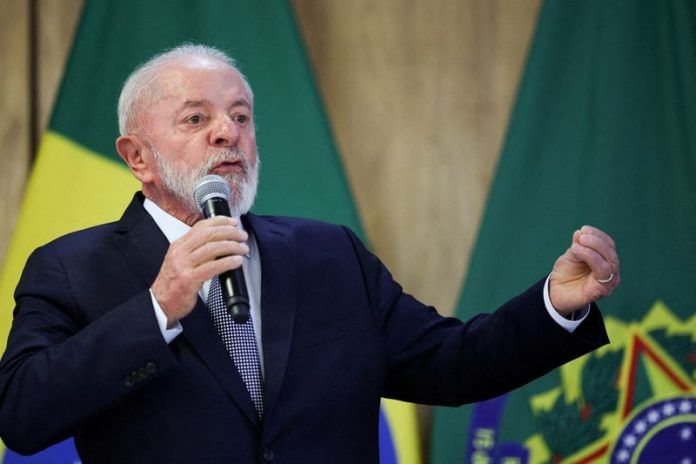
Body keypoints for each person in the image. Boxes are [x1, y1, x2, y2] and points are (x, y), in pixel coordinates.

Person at [0, 44, 619, 463]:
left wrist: (554, 307)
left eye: (241, 116)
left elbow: (453, 365)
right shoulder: (71, 268)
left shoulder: (328, 254)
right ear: (138, 157)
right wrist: (158, 307)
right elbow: (23, 415)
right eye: (196, 118)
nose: (228, 132)